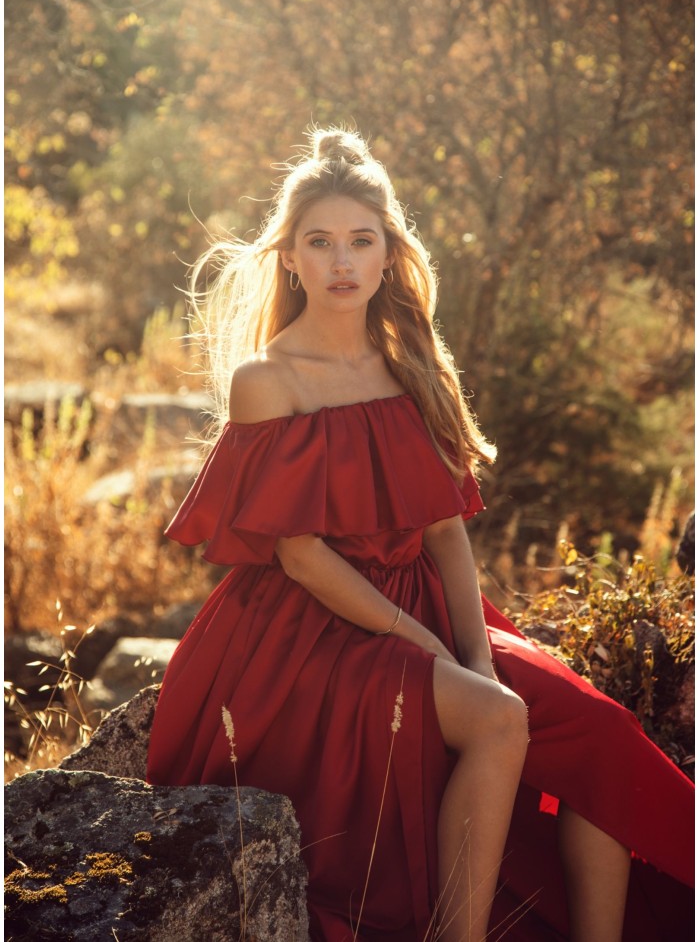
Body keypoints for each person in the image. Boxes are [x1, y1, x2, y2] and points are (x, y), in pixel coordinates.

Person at [147, 127, 693, 941]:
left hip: (427, 605)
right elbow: (300, 556)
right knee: (498, 719)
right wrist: (429, 651)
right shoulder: (268, 380)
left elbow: (445, 534)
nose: (342, 262)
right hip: (309, 634)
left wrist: (472, 652)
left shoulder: (412, 363)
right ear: (289, 258)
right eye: (320, 243)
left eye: (360, 242)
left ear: (387, 255)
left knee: (600, 735)